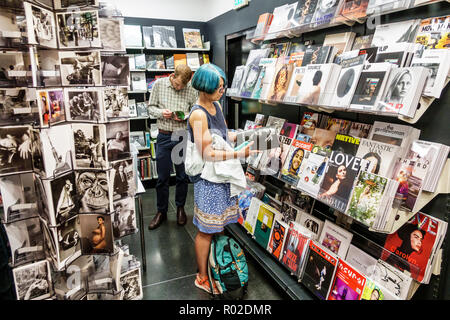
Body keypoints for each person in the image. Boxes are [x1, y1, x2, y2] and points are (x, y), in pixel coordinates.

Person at [187, 63, 258, 293]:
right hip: (208, 179)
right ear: (205, 88)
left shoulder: (216, 105)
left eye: (223, 86)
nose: (223, 90)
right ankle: (201, 276)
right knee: (205, 230)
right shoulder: (198, 114)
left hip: (221, 177)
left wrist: (247, 137)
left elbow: (223, 137)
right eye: (219, 87)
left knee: (217, 226)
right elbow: (208, 153)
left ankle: (215, 267)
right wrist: (240, 153)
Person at [147, 65, 198, 230]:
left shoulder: (190, 89)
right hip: (164, 136)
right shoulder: (159, 85)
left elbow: (195, 110)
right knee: (162, 178)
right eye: (177, 85)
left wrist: (187, 116)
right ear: (172, 76)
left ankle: (180, 208)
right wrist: (162, 113)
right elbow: (150, 108)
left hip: (182, 136)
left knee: (182, 176)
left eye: (183, 86)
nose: (180, 88)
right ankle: (161, 211)